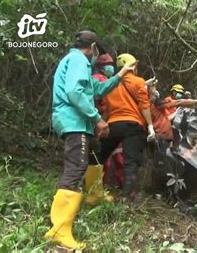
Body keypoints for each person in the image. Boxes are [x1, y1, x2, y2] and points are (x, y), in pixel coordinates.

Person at [45, 30, 135, 250]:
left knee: (95, 152)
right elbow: (75, 91)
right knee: (76, 166)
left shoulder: (79, 64)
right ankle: (59, 229)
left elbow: (99, 88)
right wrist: (97, 119)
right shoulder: (77, 59)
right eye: (98, 51)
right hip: (73, 120)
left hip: (79, 122)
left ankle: (94, 195)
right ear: (93, 47)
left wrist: (121, 73)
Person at [98, 53, 155, 204]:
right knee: (131, 162)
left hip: (113, 124)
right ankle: (127, 198)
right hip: (133, 125)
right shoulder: (138, 81)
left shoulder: (111, 83)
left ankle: (92, 188)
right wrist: (150, 125)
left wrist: (101, 125)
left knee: (99, 156)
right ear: (133, 66)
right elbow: (144, 105)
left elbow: (106, 109)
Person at [84, 53, 118, 205]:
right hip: (97, 120)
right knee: (96, 154)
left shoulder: (99, 79)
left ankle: (95, 190)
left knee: (97, 154)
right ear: (102, 67)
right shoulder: (99, 79)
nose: (111, 67)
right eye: (108, 65)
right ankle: (92, 192)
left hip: (100, 119)